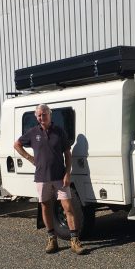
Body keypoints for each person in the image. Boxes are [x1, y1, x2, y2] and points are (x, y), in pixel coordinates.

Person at [13, 104, 85, 255]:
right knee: (45, 207)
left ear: (50, 114)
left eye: (44, 114)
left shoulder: (59, 132)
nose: (41, 117)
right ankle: (52, 239)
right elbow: (17, 144)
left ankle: (74, 241)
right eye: (39, 115)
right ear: (36, 117)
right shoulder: (33, 133)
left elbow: (67, 154)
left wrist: (67, 173)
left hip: (60, 177)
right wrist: (30, 158)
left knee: (68, 208)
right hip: (41, 177)